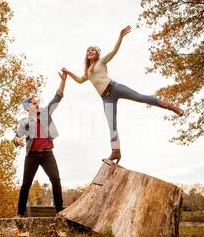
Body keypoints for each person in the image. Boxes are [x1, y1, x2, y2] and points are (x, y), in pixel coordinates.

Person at [61, 25, 184, 164]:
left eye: (93, 50)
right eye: (88, 50)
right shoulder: (87, 72)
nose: (90, 51)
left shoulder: (101, 62)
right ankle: (116, 151)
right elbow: (79, 80)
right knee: (111, 124)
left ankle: (170, 106)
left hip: (115, 88)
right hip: (106, 98)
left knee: (140, 97)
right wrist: (68, 72)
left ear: (97, 53)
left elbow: (114, 51)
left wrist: (120, 37)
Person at [13, 71, 67, 217]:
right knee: (26, 184)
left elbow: (57, 97)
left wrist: (63, 80)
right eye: (34, 103)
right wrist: (17, 140)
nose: (37, 104)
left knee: (55, 179)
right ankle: (19, 213)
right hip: (32, 156)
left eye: (37, 102)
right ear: (28, 107)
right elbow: (17, 136)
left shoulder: (45, 114)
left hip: (48, 154)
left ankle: (59, 211)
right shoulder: (24, 122)